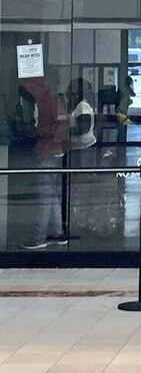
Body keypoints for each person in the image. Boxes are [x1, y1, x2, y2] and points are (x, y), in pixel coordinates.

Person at [20, 78, 71, 249]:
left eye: (26, 87)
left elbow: (63, 124)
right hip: (50, 151)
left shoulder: (49, 99)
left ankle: (40, 236)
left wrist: (43, 135)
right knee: (52, 196)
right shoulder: (43, 100)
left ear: (34, 86)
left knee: (45, 196)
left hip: (49, 153)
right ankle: (58, 233)